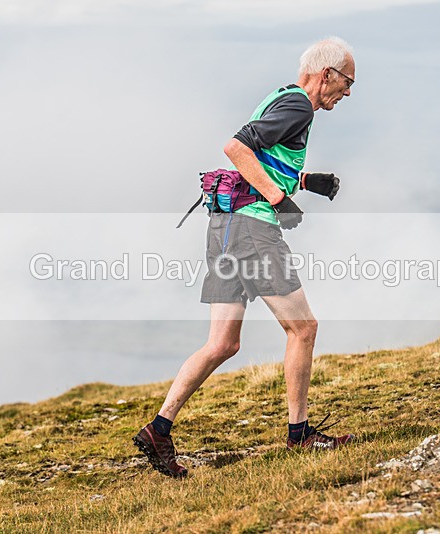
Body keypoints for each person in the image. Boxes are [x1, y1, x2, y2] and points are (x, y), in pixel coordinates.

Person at [134, 37, 357, 478]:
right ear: (327, 73)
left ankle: (159, 430)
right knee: (304, 328)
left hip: (224, 226)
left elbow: (261, 156)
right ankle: (300, 436)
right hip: (252, 228)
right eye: (347, 82)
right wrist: (278, 197)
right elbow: (236, 148)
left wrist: (307, 180)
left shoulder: (281, 98)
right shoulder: (299, 106)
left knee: (223, 343)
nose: (347, 93)